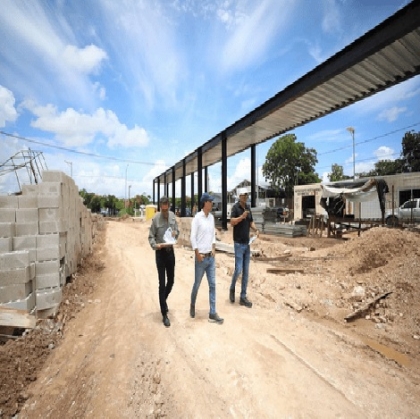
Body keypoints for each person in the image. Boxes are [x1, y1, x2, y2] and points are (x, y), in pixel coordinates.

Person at [190, 192, 224, 324]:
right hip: (201, 258)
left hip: (210, 258)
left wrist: (214, 247)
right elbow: (193, 237)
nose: (212, 203)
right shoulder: (197, 218)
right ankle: (192, 304)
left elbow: (212, 235)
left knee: (213, 285)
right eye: (210, 201)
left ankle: (212, 312)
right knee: (197, 284)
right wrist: (197, 253)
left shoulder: (211, 218)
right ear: (205, 203)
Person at [148, 196, 179, 327]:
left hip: (170, 252)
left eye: (166, 206)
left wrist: (175, 234)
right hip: (160, 253)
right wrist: (156, 245)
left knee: (171, 281)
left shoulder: (172, 216)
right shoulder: (155, 219)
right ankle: (164, 313)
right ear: (160, 207)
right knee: (162, 282)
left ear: (169, 206)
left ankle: (163, 301)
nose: (165, 209)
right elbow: (150, 237)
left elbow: (177, 231)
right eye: (163, 207)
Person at [229, 189, 259, 308]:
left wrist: (255, 229)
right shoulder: (235, 208)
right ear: (239, 196)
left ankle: (243, 296)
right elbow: (231, 222)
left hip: (247, 243)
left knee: (246, 271)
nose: (245, 197)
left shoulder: (248, 208)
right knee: (238, 270)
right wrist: (241, 217)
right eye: (243, 195)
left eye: (246, 195)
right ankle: (232, 288)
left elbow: (250, 222)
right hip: (238, 243)